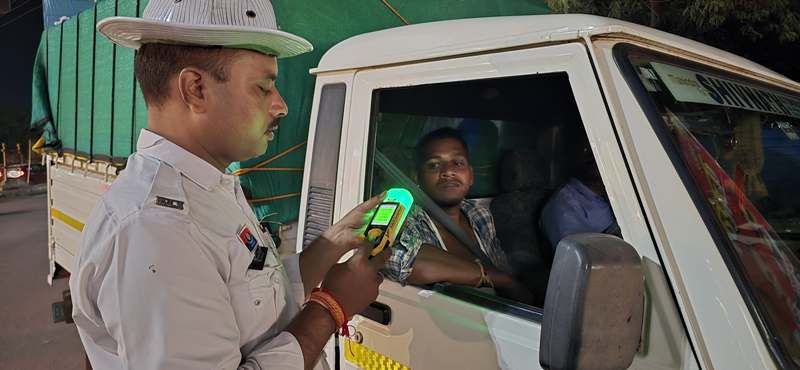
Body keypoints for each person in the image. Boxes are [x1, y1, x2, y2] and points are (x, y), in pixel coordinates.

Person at [69, 1, 387, 369]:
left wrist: (334, 243)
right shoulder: (158, 230)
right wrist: (330, 307)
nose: (281, 106)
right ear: (195, 89)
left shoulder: (206, 187)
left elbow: (255, 294)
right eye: (263, 88)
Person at [383, 128, 535, 304]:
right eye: (434, 165)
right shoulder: (406, 220)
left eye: (458, 163)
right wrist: (497, 279)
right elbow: (398, 261)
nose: (448, 171)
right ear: (417, 177)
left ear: (470, 175)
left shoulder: (479, 215)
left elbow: (501, 265)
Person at [541, 138, 617, 249]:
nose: (593, 156)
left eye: (596, 150)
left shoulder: (615, 195)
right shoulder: (562, 207)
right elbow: (576, 257)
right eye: (586, 151)